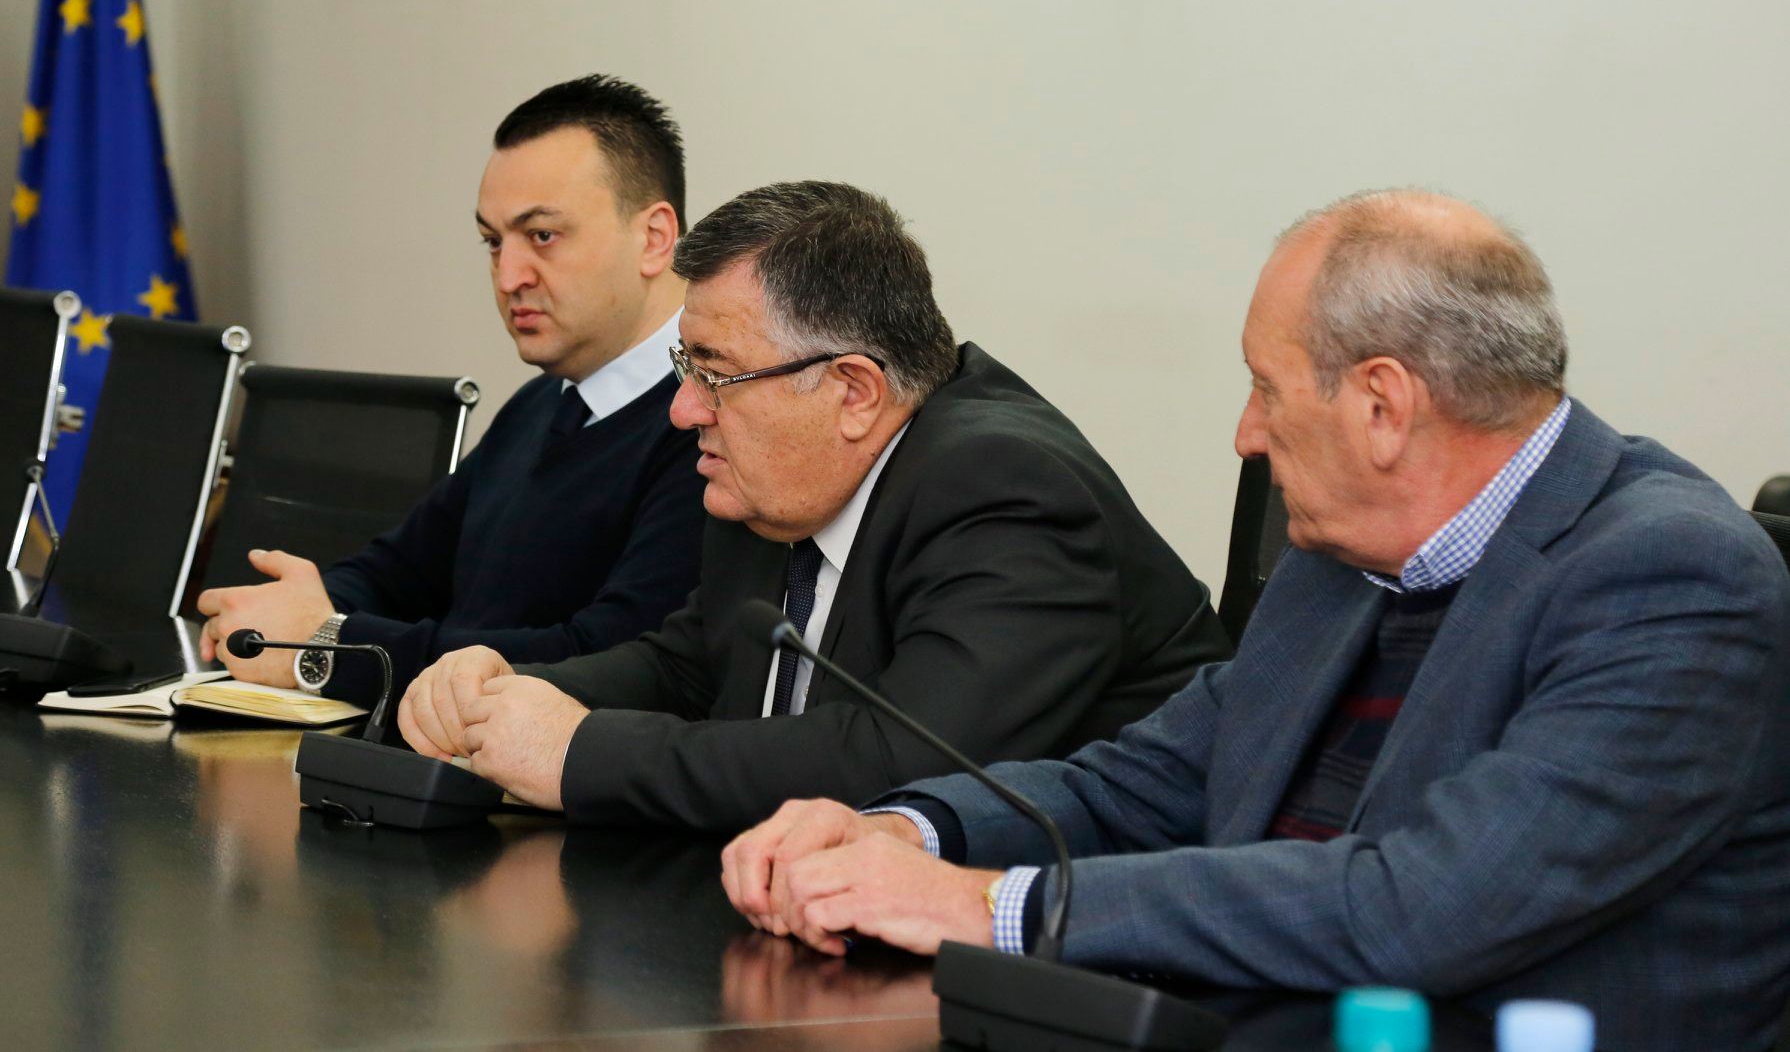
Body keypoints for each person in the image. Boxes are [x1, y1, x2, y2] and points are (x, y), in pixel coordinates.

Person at [721, 190, 1790, 1052]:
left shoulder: (1672, 581)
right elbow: (1141, 783)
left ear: (1382, 406)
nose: (1244, 435)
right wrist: (905, 832)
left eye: (1264, 390)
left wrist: (982, 904)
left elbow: (1417, 907)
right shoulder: (1343, 555)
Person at [394, 181, 1231, 830]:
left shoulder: (1008, 491)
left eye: (714, 373)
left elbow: (905, 765)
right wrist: (505, 695)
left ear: (853, 391)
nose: (683, 409)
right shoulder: (779, 481)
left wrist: (578, 754)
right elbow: (688, 668)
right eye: (685, 367)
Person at [196, 75, 706, 699]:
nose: (509, 276)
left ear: (654, 238)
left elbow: (609, 659)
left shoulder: (708, 425)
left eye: (542, 235)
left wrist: (327, 646)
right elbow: (401, 572)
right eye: (493, 242)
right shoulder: (544, 403)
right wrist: (279, 618)